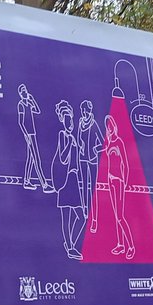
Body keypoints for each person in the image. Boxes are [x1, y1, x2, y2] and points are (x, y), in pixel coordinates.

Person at [54, 101, 85, 260]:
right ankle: (70, 247)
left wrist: (80, 180)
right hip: (64, 180)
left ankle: (70, 243)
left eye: (71, 120)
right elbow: (62, 157)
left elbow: (78, 164)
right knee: (66, 215)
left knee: (82, 216)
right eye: (66, 120)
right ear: (62, 120)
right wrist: (71, 145)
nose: (70, 123)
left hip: (73, 179)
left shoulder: (73, 137)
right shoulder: (63, 135)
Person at [104, 115, 135, 260]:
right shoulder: (109, 144)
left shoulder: (119, 142)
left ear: (114, 127)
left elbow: (126, 164)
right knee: (116, 216)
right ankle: (120, 244)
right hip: (110, 181)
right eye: (107, 127)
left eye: (110, 126)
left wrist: (126, 182)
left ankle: (131, 246)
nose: (109, 129)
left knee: (120, 216)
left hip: (119, 181)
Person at [16, 84, 50, 191]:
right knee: (36, 159)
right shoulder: (21, 105)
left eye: (26, 91)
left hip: (33, 133)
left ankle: (26, 181)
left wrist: (32, 100)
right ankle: (44, 184)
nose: (26, 93)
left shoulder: (28, 103)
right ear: (21, 94)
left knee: (31, 158)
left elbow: (38, 111)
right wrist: (26, 135)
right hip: (29, 134)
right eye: (23, 92)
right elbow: (20, 122)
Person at [77, 100, 102, 233]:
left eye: (84, 110)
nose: (83, 112)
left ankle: (94, 219)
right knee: (83, 189)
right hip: (82, 159)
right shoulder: (80, 123)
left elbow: (102, 143)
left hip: (92, 160)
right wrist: (80, 147)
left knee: (92, 190)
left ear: (88, 111)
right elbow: (78, 138)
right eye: (82, 110)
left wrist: (94, 150)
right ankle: (85, 214)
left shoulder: (93, 124)